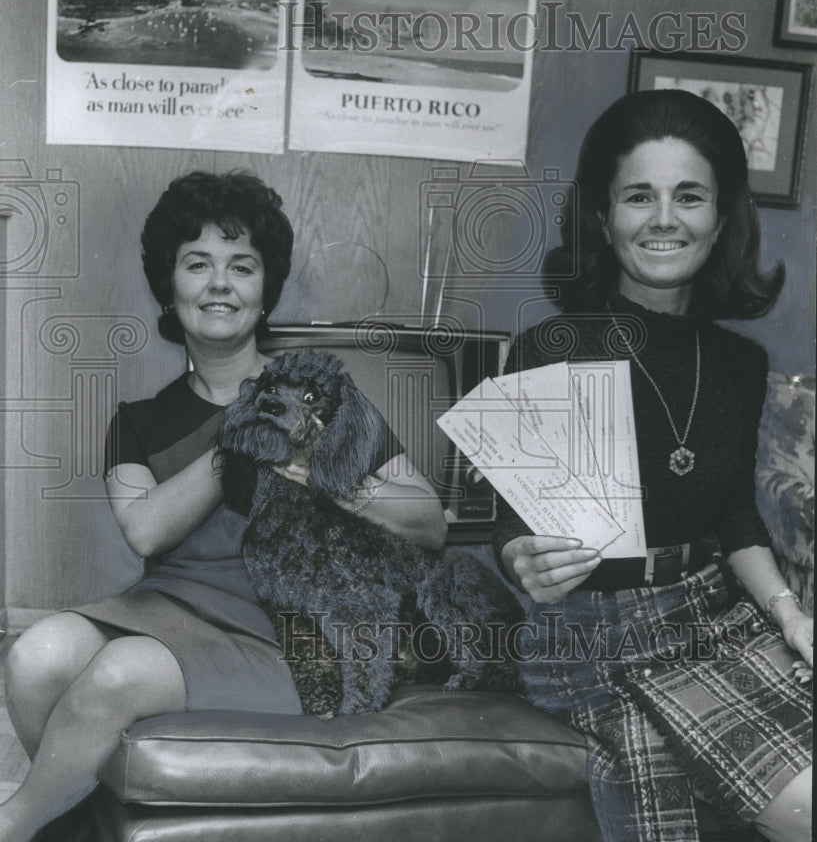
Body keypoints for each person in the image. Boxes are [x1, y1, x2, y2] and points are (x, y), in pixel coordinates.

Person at [1, 170, 445, 842]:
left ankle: (13, 826)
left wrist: (325, 470)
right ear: (169, 284)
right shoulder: (137, 420)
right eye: (196, 264)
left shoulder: (318, 395)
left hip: (288, 631)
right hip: (169, 609)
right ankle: (79, 828)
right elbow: (146, 531)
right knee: (36, 654)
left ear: (264, 291)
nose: (219, 284)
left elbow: (428, 520)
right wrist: (241, 436)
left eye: (242, 266)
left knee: (120, 674)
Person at [493, 90, 812, 842]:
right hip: (590, 632)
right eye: (639, 195)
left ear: (722, 217)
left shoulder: (739, 362)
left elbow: (736, 514)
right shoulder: (550, 346)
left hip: (714, 615)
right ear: (603, 220)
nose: (663, 218)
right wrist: (519, 559)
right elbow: (512, 522)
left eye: (688, 195)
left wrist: (792, 615)